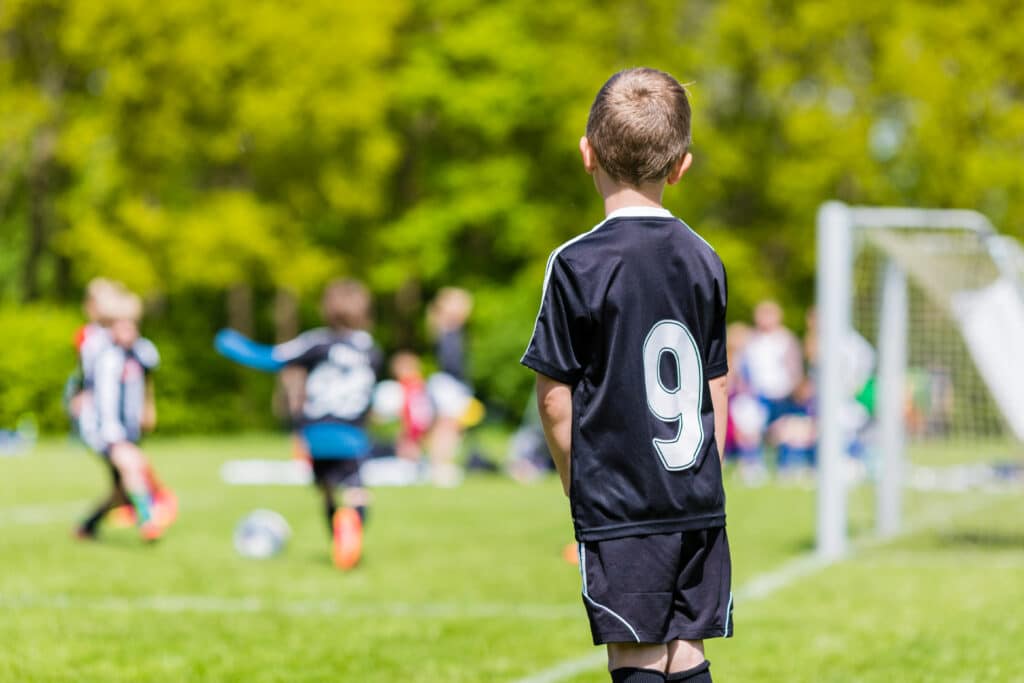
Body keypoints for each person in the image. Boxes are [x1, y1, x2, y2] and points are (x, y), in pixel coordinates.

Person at [522, 68, 731, 683]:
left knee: (637, 653)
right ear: (681, 166)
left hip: (622, 502)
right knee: (686, 649)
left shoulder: (576, 262)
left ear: (586, 153)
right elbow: (715, 386)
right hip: (695, 495)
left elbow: (555, 398)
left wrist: (573, 480)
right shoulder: (705, 258)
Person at [270, 279, 381, 570]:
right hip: (351, 433)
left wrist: (230, 343)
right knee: (357, 490)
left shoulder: (318, 342)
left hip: (316, 432)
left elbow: (277, 359)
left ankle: (337, 536)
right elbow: (368, 397)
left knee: (328, 489)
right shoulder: (370, 350)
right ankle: (352, 527)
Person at [76, 289, 168, 541]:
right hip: (103, 428)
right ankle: (148, 524)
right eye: (121, 324)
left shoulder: (144, 351)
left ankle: (87, 526)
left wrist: (149, 408)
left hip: (129, 428)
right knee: (133, 466)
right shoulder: (99, 348)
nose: (128, 329)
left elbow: (147, 382)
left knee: (121, 491)